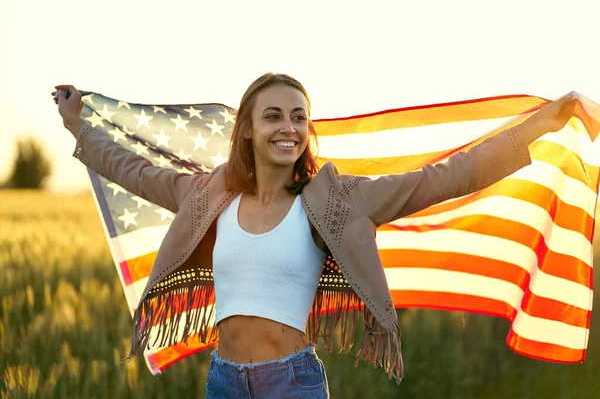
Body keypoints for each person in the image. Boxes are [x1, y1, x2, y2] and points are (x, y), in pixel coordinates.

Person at [52, 74, 579, 398]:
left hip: (292, 384)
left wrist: (539, 126)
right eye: (274, 116)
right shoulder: (209, 195)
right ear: (248, 130)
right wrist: (79, 126)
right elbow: (136, 172)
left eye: (300, 117)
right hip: (223, 382)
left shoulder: (336, 200)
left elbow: (441, 178)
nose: (289, 127)